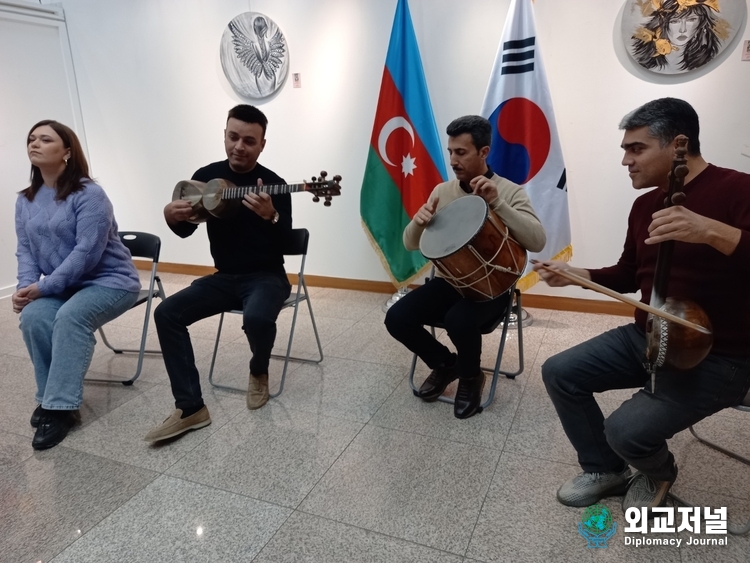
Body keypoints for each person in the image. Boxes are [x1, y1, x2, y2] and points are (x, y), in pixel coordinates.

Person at [534, 98, 750, 513]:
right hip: (648, 335)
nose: (626, 161)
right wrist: (582, 274)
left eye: (636, 149)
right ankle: (605, 469)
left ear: (678, 144)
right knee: (561, 372)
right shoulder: (644, 205)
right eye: (625, 150)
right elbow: (631, 274)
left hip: (719, 355)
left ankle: (657, 470)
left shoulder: (739, 190)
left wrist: (712, 231)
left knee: (626, 430)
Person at [145, 104, 292, 442]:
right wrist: (171, 215)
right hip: (224, 277)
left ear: (262, 144)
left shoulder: (275, 184)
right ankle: (191, 407)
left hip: (267, 276)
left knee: (256, 318)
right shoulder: (206, 177)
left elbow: (286, 242)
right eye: (233, 137)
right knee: (167, 313)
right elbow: (186, 231)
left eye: (249, 141)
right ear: (225, 135)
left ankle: (258, 370)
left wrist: (271, 216)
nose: (239, 146)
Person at [385, 115, 546, 419]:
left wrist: (498, 204)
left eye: (461, 152)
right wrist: (418, 223)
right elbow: (409, 244)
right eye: (451, 153)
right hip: (450, 281)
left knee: (459, 319)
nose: (454, 160)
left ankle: (472, 376)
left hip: (493, 287)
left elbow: (537, 240)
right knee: (397, 318)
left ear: (483, 152)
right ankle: (447, 365)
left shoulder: (508, 191)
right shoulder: (442, 192)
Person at [14, 120, 141, 450]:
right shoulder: (25, 200)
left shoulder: (90, 195)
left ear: (67, 152)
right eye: (31, 139)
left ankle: (60, 407)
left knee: (70, 318)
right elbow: (25, 248)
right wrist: (27, 288)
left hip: (111, 282)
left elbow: (86, 252)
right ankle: (49, 398)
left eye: (45, 139)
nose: (35, 143)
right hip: (64, 286)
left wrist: (45, 286)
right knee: (34, 317)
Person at [631, 0, 724, 72]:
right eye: (674, 21)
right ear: (662, 25)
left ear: (702, 24)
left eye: (691, 20)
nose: (682, 29)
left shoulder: (707, 56)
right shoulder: (648, 58)